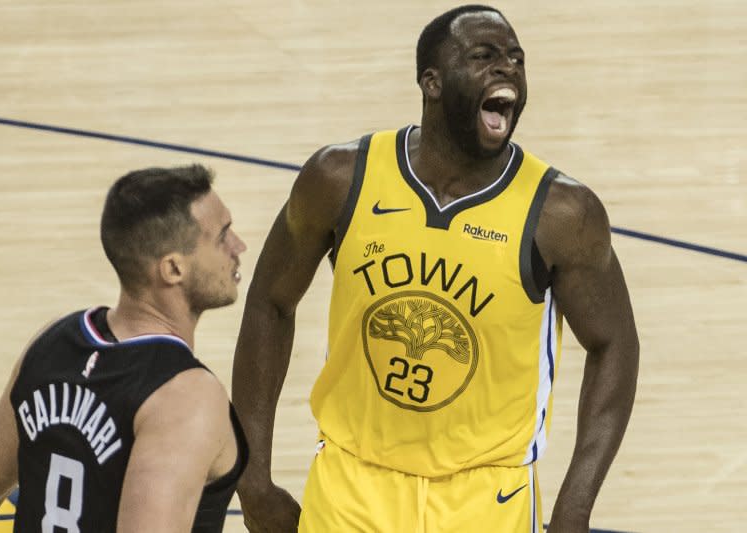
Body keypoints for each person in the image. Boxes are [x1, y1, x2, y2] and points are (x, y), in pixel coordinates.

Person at [232, 4, 638, 533]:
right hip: (351, 485)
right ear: (432, 81)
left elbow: (615, 345)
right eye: (484, 56)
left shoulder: (562, 213)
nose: (508, 69)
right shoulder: (339, 177)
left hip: (487, 497)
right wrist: (252, 479)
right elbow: (269, 302)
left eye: (516, 59)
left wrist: (574, 509)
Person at [0, 164, 248, 533]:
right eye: (222, 236)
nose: (239, 247)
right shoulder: (185, 397)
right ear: (172, 269)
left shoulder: (52, 344)